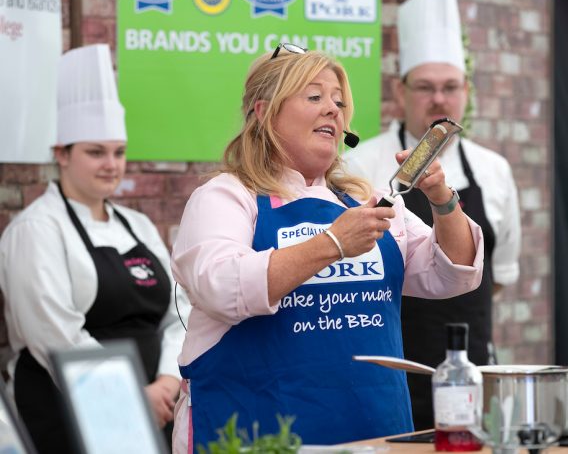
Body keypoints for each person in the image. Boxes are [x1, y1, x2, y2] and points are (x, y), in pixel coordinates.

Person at [170, 42, 484, 451]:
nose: (333, 109)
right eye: (314, 96)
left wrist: (443, 200)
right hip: (257, 434)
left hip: (375, 432)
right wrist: (334, 243)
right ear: (264, 113)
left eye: (338, 101)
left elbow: (452, 273)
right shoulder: (226, 197)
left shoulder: (369, 199)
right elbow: (221, 287)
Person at [344, 0, 521, 430]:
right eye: (424, 87)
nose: (438, 99)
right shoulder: (359, 165)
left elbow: (497, 275)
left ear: (465, 92)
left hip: (472, 371)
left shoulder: (494, 169)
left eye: (449, 87)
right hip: (388, 373)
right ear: (401, 93)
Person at [0, 44, 188, 454]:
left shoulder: (136, 224)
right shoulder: (35, 229)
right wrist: (133, 394)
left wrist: (166, 382)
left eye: (118, 152)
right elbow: (54, 333)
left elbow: (179, 309)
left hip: (157, 406)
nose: (111, 164)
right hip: (68, 408)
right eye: (95, 152)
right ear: (61, 155)